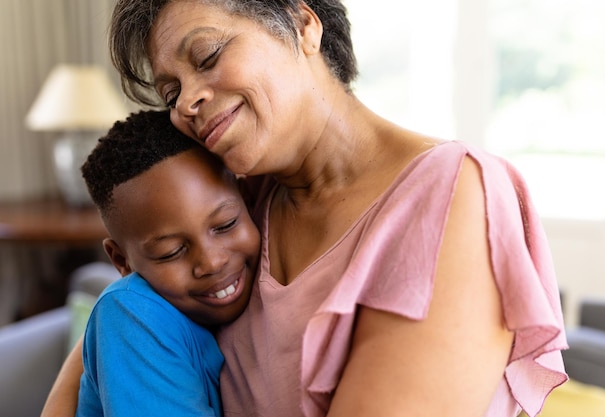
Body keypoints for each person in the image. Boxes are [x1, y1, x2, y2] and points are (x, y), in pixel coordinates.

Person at [42, 1, 568, 416]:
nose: (185, 104)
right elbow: (117, 329)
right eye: (171, 90)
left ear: (303, 23)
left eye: (206, 57)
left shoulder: (451, 195)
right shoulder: (242, 202)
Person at [75, 109, 260, 416]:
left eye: (226, 224)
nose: (212, 262)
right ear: (122, 261)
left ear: (247, 199)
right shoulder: (130, 315)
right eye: (172, 252)